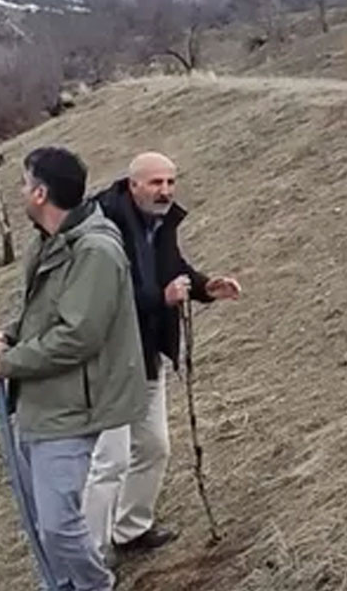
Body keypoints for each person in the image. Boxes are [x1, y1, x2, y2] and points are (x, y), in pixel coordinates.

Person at [0, 146, 147, 590]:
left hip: (73, 408)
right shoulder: (49, 241)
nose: (20, 191)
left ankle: (95, 585)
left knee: (58, 525)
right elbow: (37, 313)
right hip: (41, 400)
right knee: (41, 522)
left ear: (40, 194)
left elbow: (78, 335)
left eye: (24, 183)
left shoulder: (95, 251)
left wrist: (10, 362)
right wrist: (7, 337)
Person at [82, 152, 241, 562]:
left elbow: (173, 266)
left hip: (148, 351)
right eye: (156, 183)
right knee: (110, 460)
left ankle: (131, 529)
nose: (166, 191)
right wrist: (161, 298)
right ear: (133, 183)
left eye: (170, 182)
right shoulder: (101, 225)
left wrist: (205, 286)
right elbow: (102, 298)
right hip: (111, 357)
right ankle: (90, 555)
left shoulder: (159, 220)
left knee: (154, 446)